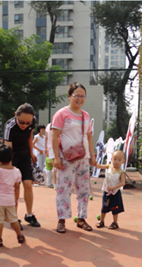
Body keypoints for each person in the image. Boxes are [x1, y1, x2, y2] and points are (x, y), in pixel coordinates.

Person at [51, 82, 96, 234]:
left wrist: (92, 156)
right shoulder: (61, 114)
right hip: (66, 159)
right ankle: (61, 220)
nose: (80, 99)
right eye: (77, 95)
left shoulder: (86, 115)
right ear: (70, 96)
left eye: (83, 96)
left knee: (84, 189)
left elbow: (89, 137)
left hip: (83, 158)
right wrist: (56, 157)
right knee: (64, 189)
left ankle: (81, 219)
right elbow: (54, 136)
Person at [3, 103, 41, 228]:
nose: (25, 125)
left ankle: (29, 215)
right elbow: (8, 146)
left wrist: (31, 152)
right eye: (22, 122)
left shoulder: (32, 122)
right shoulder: (10, 126)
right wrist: (9, 166)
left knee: (28, 185)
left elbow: (30, 136)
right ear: (16, 115)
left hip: (24, 155)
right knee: (15, 186)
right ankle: (13, 217)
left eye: (28, 123)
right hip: (12, 155)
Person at [0, 144, 25, 247]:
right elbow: (17, 186)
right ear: (12, 156)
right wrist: (15, 199)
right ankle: (20, 235)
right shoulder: (16, 171)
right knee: (13, 220)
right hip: (10, 200)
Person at [94, 150, 126, 229]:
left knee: (115, 208)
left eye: (119, 160)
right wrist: (95, 164)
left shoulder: (121, 172)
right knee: (104, 206)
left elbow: (123, 183)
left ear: (123, 161)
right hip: (107, 191)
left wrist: (114, 187)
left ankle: (115, 223)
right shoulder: (109, 166)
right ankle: (101, 221)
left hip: (115, 193)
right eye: (114, 159)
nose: (116, 161)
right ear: (111, 159)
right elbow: (100, 166)